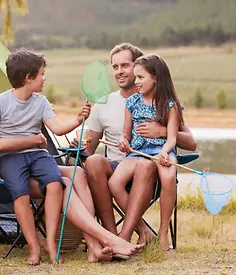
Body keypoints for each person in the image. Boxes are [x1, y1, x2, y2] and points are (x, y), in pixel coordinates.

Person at [0, 51, 140, 264]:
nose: (45, 79)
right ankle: (72, 242)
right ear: (28, 77)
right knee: (61, 183)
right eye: (42, 74)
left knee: (73, 176)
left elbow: (56, 129)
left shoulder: (29, 102)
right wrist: (31, 140)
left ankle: (87, 245)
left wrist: (79, 120)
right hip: (0, 169)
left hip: (35, 156)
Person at [72, 43, 196, 246]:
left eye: (125, 65)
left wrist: (162, 131)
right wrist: (77, 144)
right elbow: (89, 149)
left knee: (144, 165)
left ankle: (125, 235)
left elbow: (191, 143)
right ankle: (114, 236)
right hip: (118, 166)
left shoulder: (163, 102)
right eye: (115, 67)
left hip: (150, 165)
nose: (119, 72)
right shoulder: (104, 103)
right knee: (94, 161)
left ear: (139, 67)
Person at [113, 54, 182, 251]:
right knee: (115, 182)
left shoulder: (169, 105)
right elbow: (125, 134)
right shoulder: (132, 102)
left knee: (168, 177)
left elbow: (171, 138)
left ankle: (162, 231)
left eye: (141, 77)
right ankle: (141, 226)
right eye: (136, 78)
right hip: (137, 151)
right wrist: (123, 141)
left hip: (161, 149)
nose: (137, 82)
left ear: (156, 78)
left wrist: (166, 152)